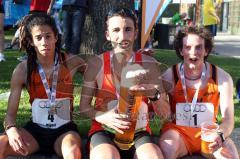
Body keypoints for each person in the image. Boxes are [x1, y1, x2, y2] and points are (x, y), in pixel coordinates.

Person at [79, 8, 169, 159]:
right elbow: (83, 107)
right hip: (105, 129)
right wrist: (103, 117)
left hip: (138, 131)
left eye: (128, 29)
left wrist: (154, 95)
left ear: (135, 32)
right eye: (116, 30)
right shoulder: (96, 64)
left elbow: (165, 113)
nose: (122, 36)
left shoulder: (149, 64)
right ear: (108, 35)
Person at [0, 13, 86, 159]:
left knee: (72, 153)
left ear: (56, 38)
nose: (44, 42)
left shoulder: (71, 62)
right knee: (1, 144)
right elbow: (9, 115)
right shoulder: (22, 70)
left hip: (64, 131)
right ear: (31, 41)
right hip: (35, 132)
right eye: (38, 37)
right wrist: (11, 129)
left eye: (48, 36)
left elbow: (101, 75)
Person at [159, 26, 239, 159]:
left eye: (198, 47)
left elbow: (229, 120)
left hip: (209, 134)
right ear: (181, 50)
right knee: (168, 146)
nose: (193, 52)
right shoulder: (169, 76)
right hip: (179, 133)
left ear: (206, 50)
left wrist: (220, 135)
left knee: (230, 155)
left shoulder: (222, 78)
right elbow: (161, 112)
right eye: (188, 47)